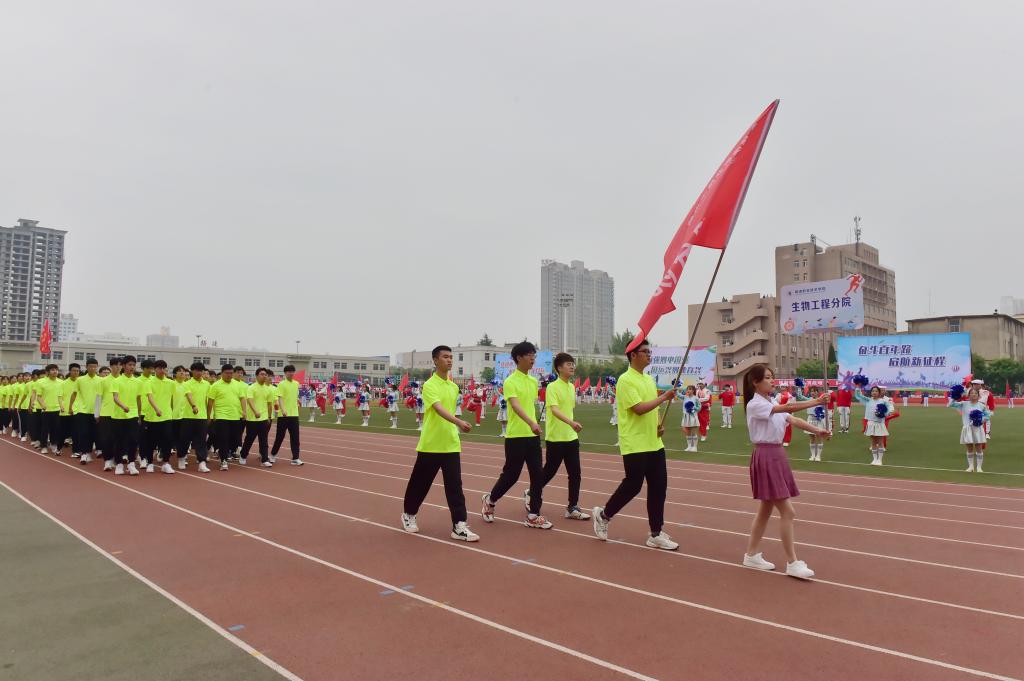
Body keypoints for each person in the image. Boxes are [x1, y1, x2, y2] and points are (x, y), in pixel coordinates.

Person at [740, 363, 829, 579]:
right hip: (767, 455)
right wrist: (816, 401)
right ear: (755, 382)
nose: (772, 381)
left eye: (772, 376)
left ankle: (751, 555)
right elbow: (788, 408)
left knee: (765, 509)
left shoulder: (770, 401)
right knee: (788, 512)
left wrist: (817, 430)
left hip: (776, 454)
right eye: (767, 377)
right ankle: (792, 562)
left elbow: (793, 419)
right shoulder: (755, 404)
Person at [592, 338, 679, 550]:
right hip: (634, 443)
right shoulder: (625, 380)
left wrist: (659, 425)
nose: (649, 354)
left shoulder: (648, 379)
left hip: (654, 443)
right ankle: (604, 515)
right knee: (633, 485)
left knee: (659, 488)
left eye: (650, 351)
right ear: (633, 355)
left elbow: (653, 409)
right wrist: (664, 397)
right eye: (645, 351)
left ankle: (656, 533)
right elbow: (638, 409)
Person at [401, 345, 478, 541]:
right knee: (420, 484)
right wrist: (459, 422)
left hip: (450, 443)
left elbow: (450, 410)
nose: (449, 360)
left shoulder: (453, 387)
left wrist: (457, 423)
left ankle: (459, 525)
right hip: (431, 444)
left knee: (455, 487)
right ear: (435, 360)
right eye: (445, 357)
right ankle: (409, 514)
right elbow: (438, 409)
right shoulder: (430, 385)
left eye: (451, 357)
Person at [481, 341, 552, 530]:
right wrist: (531, 423)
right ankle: (490, 500)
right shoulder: (510, 381)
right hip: (516, 436)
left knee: (537, 476)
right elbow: (515, 405)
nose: (533, 359)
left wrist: (533, 424)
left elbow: (529, 405)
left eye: (534, 355)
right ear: (519, 358)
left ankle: (534, 515)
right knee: (511, 475)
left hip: (532, 436)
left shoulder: (533, 381)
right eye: (529, 355)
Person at [524, 352, 590, 521]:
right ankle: (532, 493)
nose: (572, 367)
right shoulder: (553, 387)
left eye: (573, 364)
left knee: (575, 474)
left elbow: (568, 409)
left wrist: (571, 426)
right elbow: (554, 410)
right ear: (559, 368)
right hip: (556, 438)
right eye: (568, 364)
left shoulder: (571, 387)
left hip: (571, 438)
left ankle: (572, 507)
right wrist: (571, 423)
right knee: (549, 472)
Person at [207, 364, 244, 471]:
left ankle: (223, 451)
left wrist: (244, 411)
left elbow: (242, 398)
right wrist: (209, 416)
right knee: (223, 438)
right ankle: (223, 460)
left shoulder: (237, 385)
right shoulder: (216, 385)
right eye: (227, 373)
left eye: (231, 373)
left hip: (235, 415)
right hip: (221, 416)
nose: (229, 375)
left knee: (235, 439)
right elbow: (210, 402)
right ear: (222, 373)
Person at [111, 356, 144, 476]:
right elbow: (115, 397)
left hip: (133, 415)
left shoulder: (138, 382)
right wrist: (123, 406)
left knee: (133, 440)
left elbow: (139, 399)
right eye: (129, 365)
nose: (132, 367)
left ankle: (131, 464)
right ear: (123, 366)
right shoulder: (117, 381)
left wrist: (139, 415)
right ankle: (119, 464)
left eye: (133, 365)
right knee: (119, 440)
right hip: (119, 415)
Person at [143, 360, 177, 473]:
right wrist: (156, 408)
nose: (162, 370)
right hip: (152, 416)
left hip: (167, 416)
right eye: (159, 368)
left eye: (164, 368)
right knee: (151, 442)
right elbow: (150, 397)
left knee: (167, 440)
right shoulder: (149, 382)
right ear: (155, 369)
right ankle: (149, 463)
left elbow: (172, 399)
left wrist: (172, 412)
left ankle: (166, 463)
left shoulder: (171, 383)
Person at [948, 386, 991, 473]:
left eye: (975, 393)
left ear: (978, 395)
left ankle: (979, 467)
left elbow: (987, 415)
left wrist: (981, 420)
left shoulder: (981, 405)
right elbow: (951, 404)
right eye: (971, 393)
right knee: (969, 448)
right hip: (967, 429)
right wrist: (955, 396)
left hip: (977, 429)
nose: (973, 395)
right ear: (969, 395)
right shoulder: (964, 404)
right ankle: (970, 467)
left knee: (979, 448)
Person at [179, 362, 212, 472]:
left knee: (201, 441)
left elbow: (208, 401)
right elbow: (189, 395)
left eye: (201, 371)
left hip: (202, 417)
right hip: (187, 416)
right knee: (185, 439)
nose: (199, 373)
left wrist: (209, 416)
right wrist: (193, 406)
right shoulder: (187, 383)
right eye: (197, 370)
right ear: (192, 371)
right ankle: (182, 457)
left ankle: (202, 462)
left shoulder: (207, 385)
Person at [270, 364, 303, 466]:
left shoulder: (296, 383)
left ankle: (295, 458)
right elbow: (280, 398)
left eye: (292, 371)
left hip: (294, 415)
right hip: (283, 415)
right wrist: (283, 410)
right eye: (289, 372)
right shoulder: (281, 384)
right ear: (285, 373)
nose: (291, 373)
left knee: (295, 437)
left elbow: (294, 396)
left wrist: (298, 401)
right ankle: (273, 455)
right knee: (280, 437)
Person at [242, 368, 275, 467]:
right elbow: (250, 401)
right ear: (257, 376)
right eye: (262, 374)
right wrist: (255, 411)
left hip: (264, 418)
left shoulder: (268, 389)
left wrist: (269, 416)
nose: (264, 376)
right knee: (249, 439)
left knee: (264, 440)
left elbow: (269, 404)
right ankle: (243, 455)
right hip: (252, 419)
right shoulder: (251, 387)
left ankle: (264, 459)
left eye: (265, 374)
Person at [855, 385, 890, 465]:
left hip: (879, 424)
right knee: (873, 442)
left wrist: (884, 414)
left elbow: (889, 408)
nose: (874, 392)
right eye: (873, 391)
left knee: (880, 442)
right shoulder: (868, 400)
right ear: (871, 392)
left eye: (876, 391)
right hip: (871, 423)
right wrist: (858, 386)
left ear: (879, 393)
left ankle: (880, 460)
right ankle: (874, 459)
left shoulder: (883, 401)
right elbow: (858, 396)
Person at [795, 383, 829, 462]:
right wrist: (799, 387)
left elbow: (824, 410)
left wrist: (821, 414)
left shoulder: (821, 400)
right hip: (810, 418)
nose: (813, 393)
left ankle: (818, 456)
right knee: (811, 437)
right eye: (811, 391)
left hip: (818, 419)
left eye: (814, 391)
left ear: (817, 392)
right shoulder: (809, 399)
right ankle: (813, 455)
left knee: (819, 437)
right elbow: (800, 396)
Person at [679, 385, 700, 452]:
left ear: (693, 391)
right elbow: (678, 395)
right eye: (687, 389)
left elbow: (699, 407)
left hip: (692, 416)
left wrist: (693, 408)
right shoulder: (685, 397)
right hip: (685, 416)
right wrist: (675, 388)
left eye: (690, 389)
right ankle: (689, 446)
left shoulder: (696, 398)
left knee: (693, 432)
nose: (688, 390)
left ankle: (694, 447)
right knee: (687, 431)